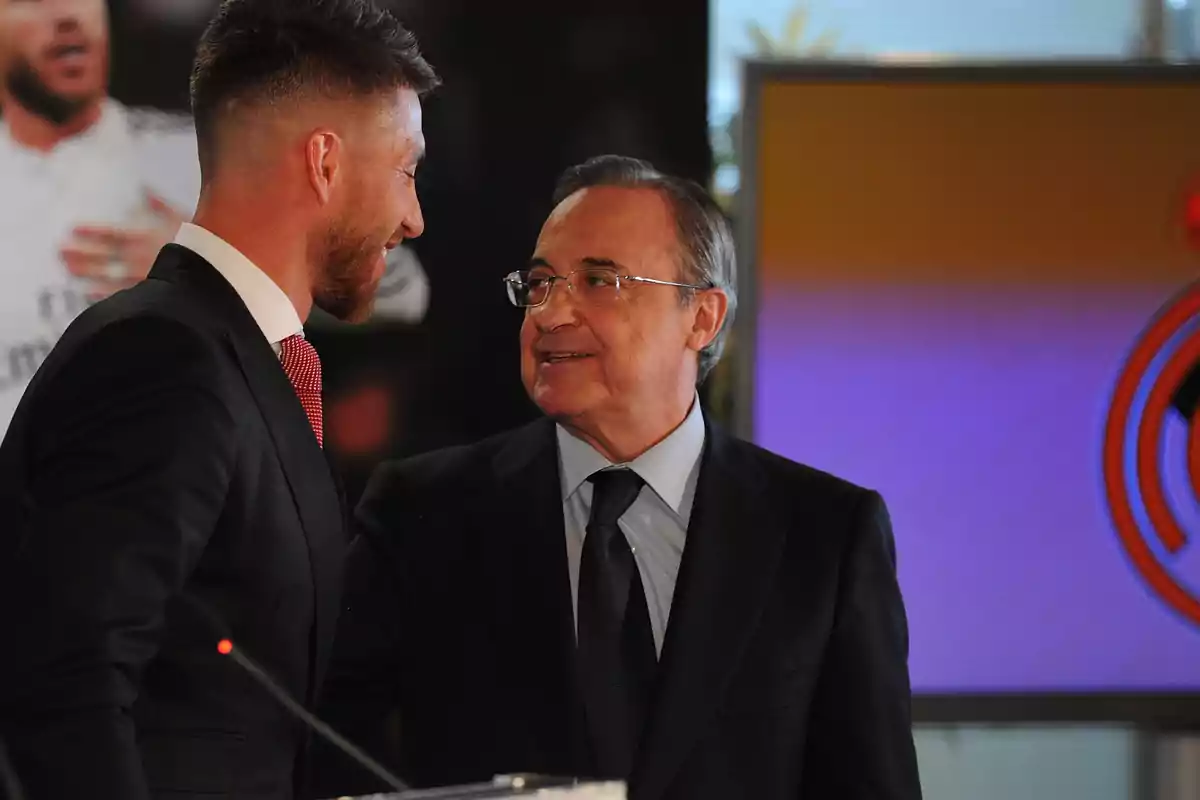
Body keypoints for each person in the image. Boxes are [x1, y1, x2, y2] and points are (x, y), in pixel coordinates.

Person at [313, 155, 922, 800]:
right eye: (540, 284)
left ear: (703, 318)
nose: (550, 314)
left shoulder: (825, 538)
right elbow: (324, 756)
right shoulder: (423, 516)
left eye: (599, 281)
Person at [0, 0, 436, 797]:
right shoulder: (161, 360)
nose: (413, 215)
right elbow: (67, 684)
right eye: (407, 170)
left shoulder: (231, 356)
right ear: (326, 164)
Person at [0, 0, 432, 434]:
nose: (67, 15)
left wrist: (216, 261)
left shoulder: (202, 155)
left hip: (185, 476)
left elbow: (406, 291)